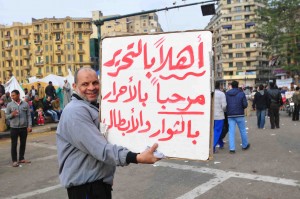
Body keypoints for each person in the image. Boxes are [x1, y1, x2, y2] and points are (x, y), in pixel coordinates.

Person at [56, 67, 160, 199]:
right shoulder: (75, 112)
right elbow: (100, 149)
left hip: (96, 185)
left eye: (95, 83)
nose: (92, 87)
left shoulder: (92, 107)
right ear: (75, 86)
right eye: (85, 84)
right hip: (86, 189)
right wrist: (137, 157)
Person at [6, 90, 32, 167]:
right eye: (11, 95)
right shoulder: (9, 105)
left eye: (13, 95)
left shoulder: (25, 104)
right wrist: (12, 115)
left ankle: (21, 158)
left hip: (23, 127)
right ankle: (14, 161)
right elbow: (6, 117)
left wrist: (29, 126)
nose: (12, 97)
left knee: (23, 143)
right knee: (14, 144)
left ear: (18, 95)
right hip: (14, 128)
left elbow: (28, 115)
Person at [226, 81, 250, 154]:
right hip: (240, 114)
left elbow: (225, 104)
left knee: (231, 132)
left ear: (232, 86)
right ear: (237, 86)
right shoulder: (241, 93)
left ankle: (232, 149)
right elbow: (245, 105)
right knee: (242, 130)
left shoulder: (227, 94)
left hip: (230, 115)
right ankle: (245, 145)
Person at [213, 81, 227, 153]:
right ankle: (213, 146)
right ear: (220, 86)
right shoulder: (222, 94)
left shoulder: (211, 93)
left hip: (211, 116)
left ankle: (220, 143)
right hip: (219, 115)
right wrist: (224, 110)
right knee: (218, 131)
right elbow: (224, 106)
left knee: (214, 131)